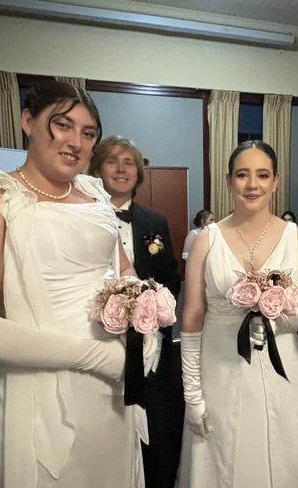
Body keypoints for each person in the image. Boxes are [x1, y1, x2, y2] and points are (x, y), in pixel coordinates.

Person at [0, 81, 147, 487]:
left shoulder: (94, 193)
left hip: (113, 386)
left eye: (88, 133)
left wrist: (145, 316)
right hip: (33, 384)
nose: (76, 142)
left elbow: (125, 275)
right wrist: (93, 357)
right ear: (28, 121)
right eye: (62, 125)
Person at [178, 140, 298, 487]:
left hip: (281, 368)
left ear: (275, 180)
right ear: (229, 181)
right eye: (242, 175)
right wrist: (192, 392)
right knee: (221, 453)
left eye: (262, 175)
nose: (252, 184)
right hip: (219, 366)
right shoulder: (206, 239)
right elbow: (193, 315)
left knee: (279, 452)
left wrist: (281, 319)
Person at [88, 136, 182, 488]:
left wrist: (154, 313)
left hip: (150, 342)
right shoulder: (80, 218)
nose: (122, 168)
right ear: (96, 169)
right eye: (112, 161)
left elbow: (171, 276)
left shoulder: (155, 221)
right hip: (97, 337)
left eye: (129, 162)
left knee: (156, 425)